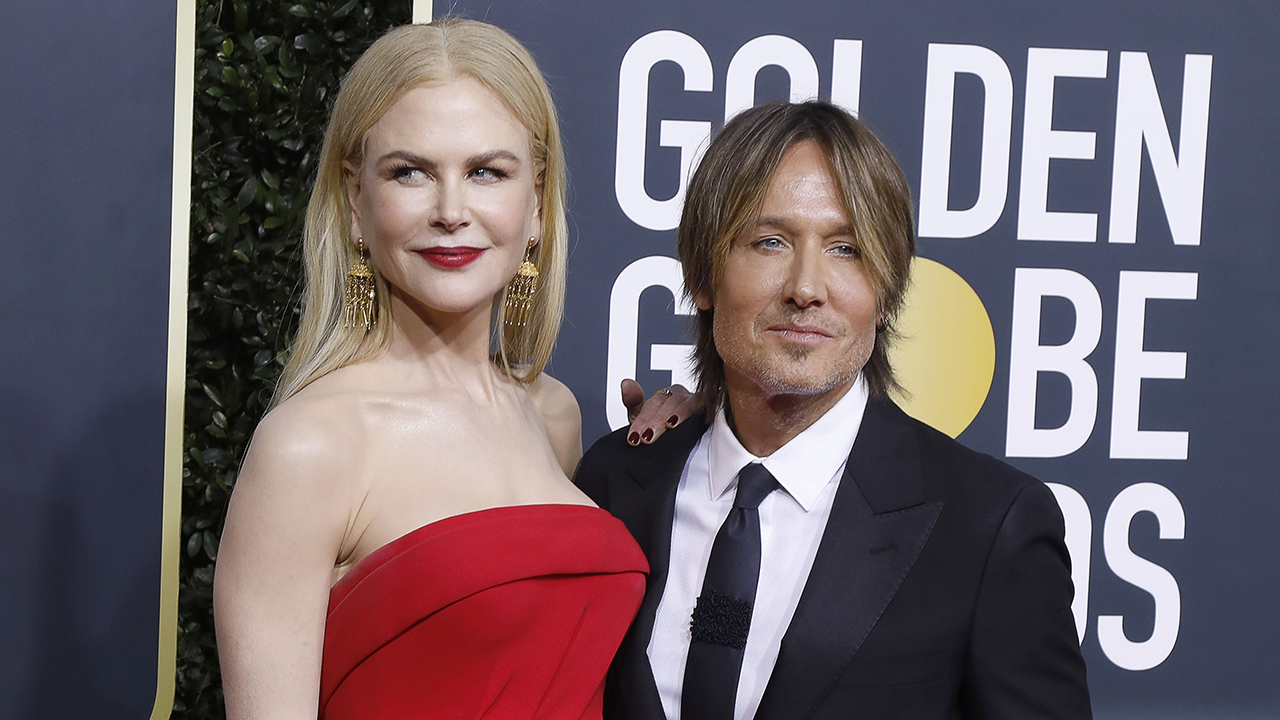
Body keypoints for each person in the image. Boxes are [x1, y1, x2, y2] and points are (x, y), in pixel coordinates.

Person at [213, 19, 683, 720]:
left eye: (487, 172)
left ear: (536, 203)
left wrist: (716, 435)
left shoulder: (553, 415)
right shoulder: (311, 447)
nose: (452, 212)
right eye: (411, 172)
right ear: (353, 203)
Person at [576, 101, 1092, 720]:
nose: (806, 287)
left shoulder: (989, 527)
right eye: (770, 242)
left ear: (886, 291)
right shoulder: (614, 482)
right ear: (703, 274)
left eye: (847, 249)